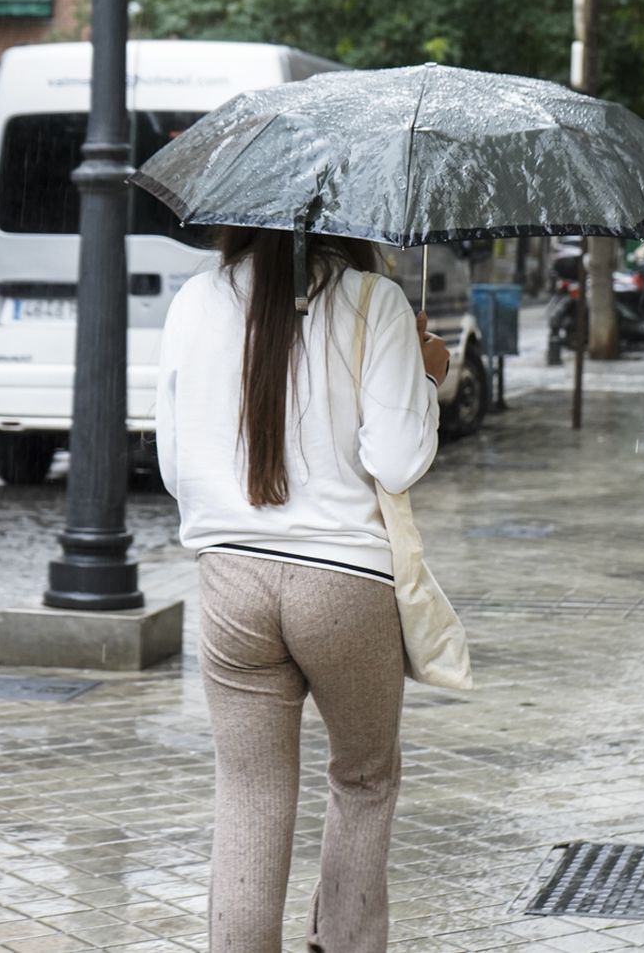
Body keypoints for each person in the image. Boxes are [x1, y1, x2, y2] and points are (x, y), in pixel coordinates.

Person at [156, 226, 449, 952]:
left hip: (231, 578)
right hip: (346, 581)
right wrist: (424, 379)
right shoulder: (373, 299)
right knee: (364, 779)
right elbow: (397, 461)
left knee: (250, 791)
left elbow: (172, 461)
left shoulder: (195, 300)